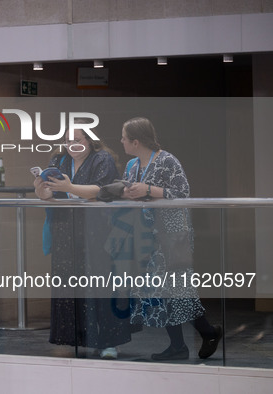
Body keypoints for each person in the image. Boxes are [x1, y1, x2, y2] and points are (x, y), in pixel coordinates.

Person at [119, 117, 222, 361]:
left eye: (124, 137)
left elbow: (182, 194)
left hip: (172, 234)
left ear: (135, 141)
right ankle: (184, 342)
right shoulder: (132, 165)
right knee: (162, 290)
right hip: (147, 235)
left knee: (176, 288)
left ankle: (203, 334)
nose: (121, 141)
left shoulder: (167, 160)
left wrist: (148, 190)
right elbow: (129, 192)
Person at [34, 127, 130, 359]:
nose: (71, 144)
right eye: (68, 140)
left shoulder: (102, 159)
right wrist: (41, 187)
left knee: (101, 282)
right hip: (66, 229)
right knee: (70, 281)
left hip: (97, 229)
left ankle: (109, 342)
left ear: (90, 141)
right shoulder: (59, 159)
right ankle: (78, 339)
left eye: (77, 140)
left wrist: (68, 188)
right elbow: (46, 196)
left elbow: (100, 191)